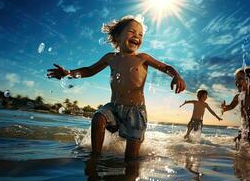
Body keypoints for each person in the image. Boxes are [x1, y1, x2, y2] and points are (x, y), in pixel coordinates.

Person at [47, 15, 186, 159]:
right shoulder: (110, 57)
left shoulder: (142, 58)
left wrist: (176, 75)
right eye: (132, 32)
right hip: (114, 107)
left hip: (135, 112)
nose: (137, 36)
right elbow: (89, 70)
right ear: (118, 36)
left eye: (140, 34)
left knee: (130, 159)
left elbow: (166, 67)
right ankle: (95, 157)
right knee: (98, 117)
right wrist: (68, 73)